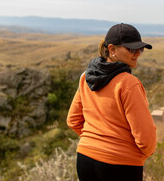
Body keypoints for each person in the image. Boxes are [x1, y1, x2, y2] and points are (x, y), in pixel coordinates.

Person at [67, 23, 157, 181]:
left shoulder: (85, 77)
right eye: (131, 49)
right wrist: (141, 153)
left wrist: (95, 142)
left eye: (140, 49)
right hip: (121, 164)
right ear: (112, 49)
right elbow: (145, 137)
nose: (137, 53)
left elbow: (73, 120)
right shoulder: (129, 84)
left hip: (85, 159)